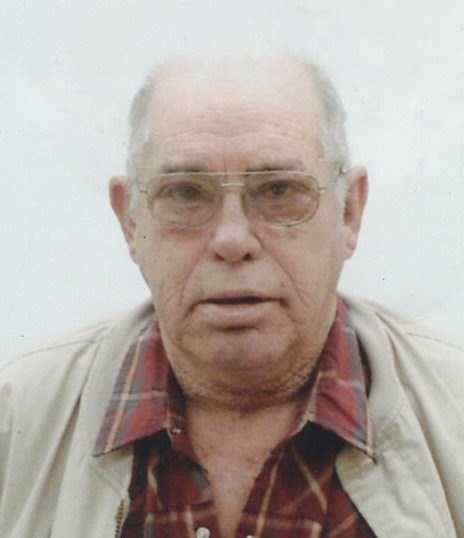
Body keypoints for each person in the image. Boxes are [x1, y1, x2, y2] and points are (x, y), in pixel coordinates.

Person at [1, 51, 463, 538]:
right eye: (186, 193)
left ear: (349, 211)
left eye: (279, 191)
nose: (232, 239)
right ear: (130, 221)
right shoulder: (16, 423)